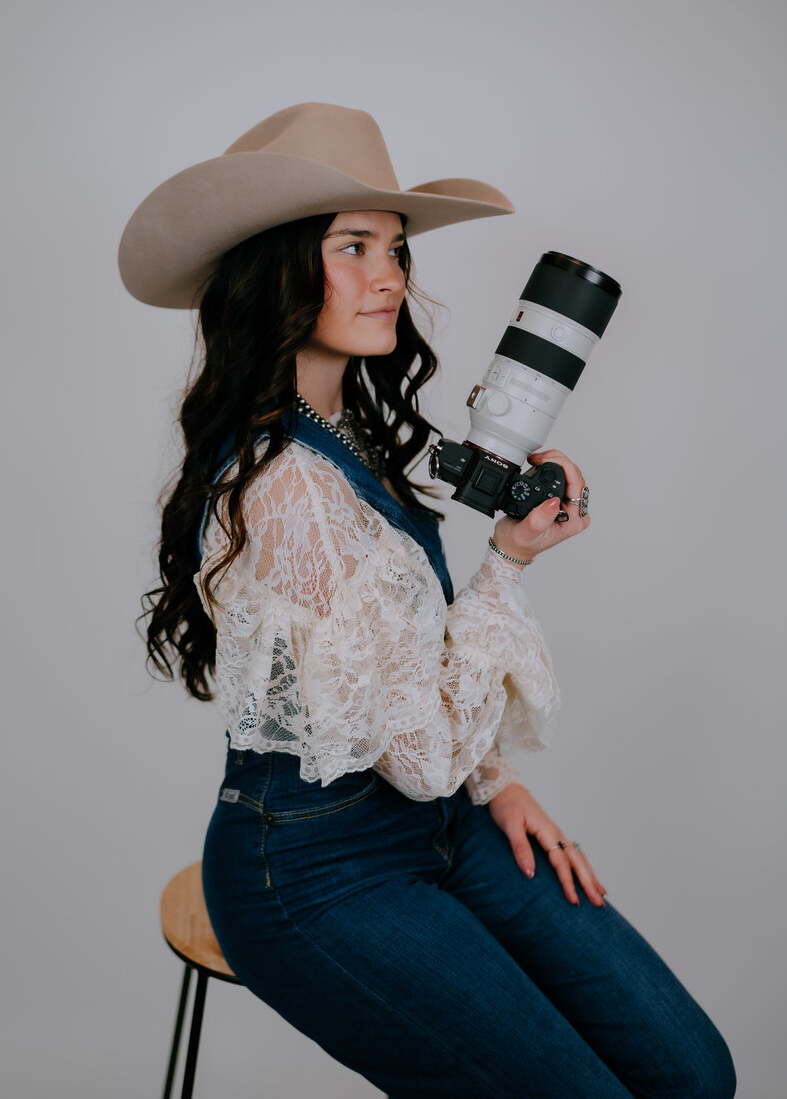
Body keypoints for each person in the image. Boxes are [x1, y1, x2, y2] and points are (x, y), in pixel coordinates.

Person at [120, 103, 736, 1098]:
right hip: (311, 876)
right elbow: (413, 757)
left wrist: (495, 784)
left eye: (395, 248)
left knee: (691, 1074)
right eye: (351, 246)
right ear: (273, 266)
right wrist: (507, 564)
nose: (390, 276)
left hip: (436, 822)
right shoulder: (290, 489)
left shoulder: (344, 433)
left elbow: (396, 680)